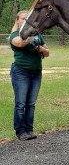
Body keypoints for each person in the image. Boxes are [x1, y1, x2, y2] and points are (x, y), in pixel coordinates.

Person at [9, 10, 49, 140]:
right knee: (21, 103)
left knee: (31, 103)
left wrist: (42, 49)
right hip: (21, 72)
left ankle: (29, 130)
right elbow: (20, 43)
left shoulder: (37, 35)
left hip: (36, 73)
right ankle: (20, 131)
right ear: (17, 20)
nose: (25, 21)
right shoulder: (15, 35)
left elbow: (47, 52)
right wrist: (30, 35)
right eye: (22, 18)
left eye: (27, 19)